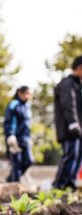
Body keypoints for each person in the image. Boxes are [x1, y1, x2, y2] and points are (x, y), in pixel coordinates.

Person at [53, 56, 82, 190]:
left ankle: (70, 184)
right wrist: (74, 123)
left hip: (77, 129)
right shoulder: (67, 84)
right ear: (79, 68)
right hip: (69, 128)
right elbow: (68, 105)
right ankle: (58, 186)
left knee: (77, 157)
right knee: (70, 155)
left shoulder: (77, 84)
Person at [4, 86, 33, 183]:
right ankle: (14, 184)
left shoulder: (27, 106)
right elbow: (9, 121)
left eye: (30, 94)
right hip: (15, 138)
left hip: (25, 138)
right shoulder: (14, 104)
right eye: (27, 94)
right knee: (16, 162)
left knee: (28, 160)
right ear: (20, 93)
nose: (28, 96)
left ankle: (10, 179)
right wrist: (10, 134)